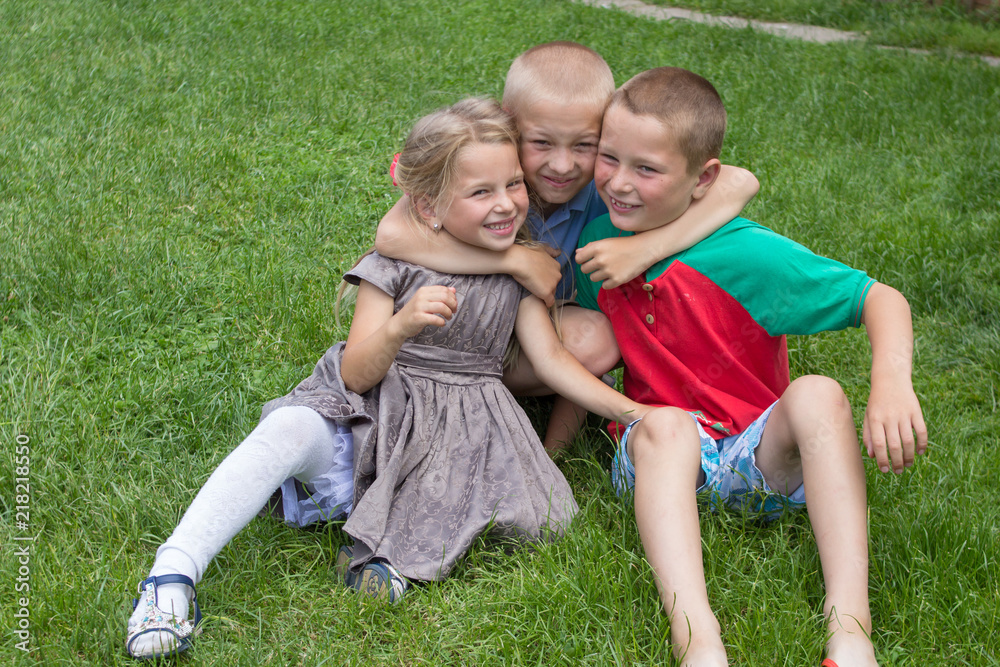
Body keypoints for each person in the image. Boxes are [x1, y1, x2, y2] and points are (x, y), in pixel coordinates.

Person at [124, 97, 651, 659]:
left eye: (514, 184)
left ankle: (387, 563)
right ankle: (173, 573)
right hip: (370, 420)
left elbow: (551, 362)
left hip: (456, 435)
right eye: (481, 192)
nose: (505, 204)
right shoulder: (393, 267)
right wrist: (400, 327)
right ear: (428, 207)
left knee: (520, 505)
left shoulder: (518, 276)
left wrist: (635, 414)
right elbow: (356, 373)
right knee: (288, 428)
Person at [573, 67, 928, 667]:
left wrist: (891, 383)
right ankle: (697, 640)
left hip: (758, 457)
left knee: (819, 393)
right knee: (666, 424)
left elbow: (879, 298)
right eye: (609, 158)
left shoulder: (748, 253)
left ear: (703, 178)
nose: (619, 183)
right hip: (662, 463)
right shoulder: (599, 244)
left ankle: (851, 630)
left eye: (647, 169)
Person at [375, 42, 759, 452]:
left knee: (602, 335)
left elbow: (741, 182)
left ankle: (530, 409)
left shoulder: (613, 190)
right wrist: (515, 259)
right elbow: (390, 236)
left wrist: (645, 249)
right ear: (510, 125)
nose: (562, 166)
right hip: (448, 336)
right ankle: (462, 389)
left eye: (584, 145)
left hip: (538, 334)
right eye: (541, 143)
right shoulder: (484, 170)